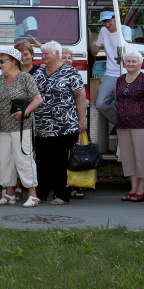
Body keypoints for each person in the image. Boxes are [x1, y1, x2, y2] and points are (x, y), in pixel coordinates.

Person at [32, 40, 88, 205]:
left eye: (46, 54)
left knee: (61, 161)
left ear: (56, 54)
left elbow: (80, 95)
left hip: (65, 126)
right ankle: (41, 194)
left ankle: (61, 195)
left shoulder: (71, 72)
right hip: (42, 127)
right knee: (42, 161)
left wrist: (81, 119)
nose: (43, 57)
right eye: (42, 54)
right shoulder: (39, 73)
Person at [0, 47, 42, 207]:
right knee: (4, 160)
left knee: (24, 159)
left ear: (13, 62)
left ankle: (33, 194)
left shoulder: (25, 78)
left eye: (2, 61)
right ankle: (9, 193)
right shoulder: (0, 79)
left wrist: (25, 112)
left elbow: (38, 99)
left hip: (22, 127)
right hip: (4, 126)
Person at [115, 50, 144, 201]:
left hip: (142, 124)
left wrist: (142, 115)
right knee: (128, 158)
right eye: (128, 61)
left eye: (134, 61)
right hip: (122, 124)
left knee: (142, 157)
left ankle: (142, 189)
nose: (131, 64)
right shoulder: (120, 79)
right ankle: (133, 188)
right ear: (124, 64)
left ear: (140, 64)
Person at [87, 11, 131, 127]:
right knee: (100, 103)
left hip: (125, 73)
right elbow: (95, 51)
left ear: (116, 18)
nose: (106, 25)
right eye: (104, 22)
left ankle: (124, 130)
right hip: (110, 73)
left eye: (109, 21)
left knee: (122, 105)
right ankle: (121, 124)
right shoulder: (103, 31)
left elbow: (127, 50)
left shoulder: (125, 30)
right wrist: (90, 38)